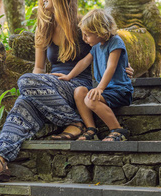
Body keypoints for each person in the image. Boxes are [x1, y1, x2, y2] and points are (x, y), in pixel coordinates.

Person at [0, 0, 133, 182]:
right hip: (50, 88)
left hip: (78, 86)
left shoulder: (82, 24)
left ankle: (76, 122)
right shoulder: (43, 28)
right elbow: (39, 69)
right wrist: (38, 92)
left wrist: (125, 67)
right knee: (23, 102)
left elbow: (107, 46)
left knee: (26, 82)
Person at [55, 9, 133, 141]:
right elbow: (84, 62)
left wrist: (100, 88)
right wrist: (68, 76)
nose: (84, 39)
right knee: (79, 91)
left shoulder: (115, 42)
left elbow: (111, 67)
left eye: (87, 35)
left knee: (90, 99)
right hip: (107, 91)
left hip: (120, 91)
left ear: (100, 32)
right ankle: (91, 129)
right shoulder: (96, 46)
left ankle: (118, 130)